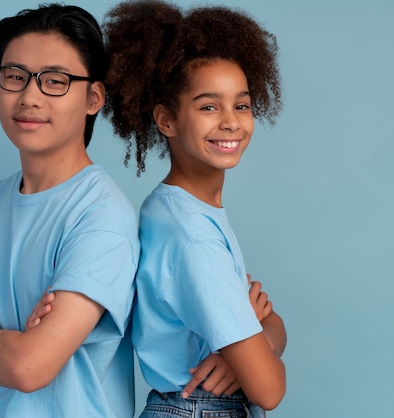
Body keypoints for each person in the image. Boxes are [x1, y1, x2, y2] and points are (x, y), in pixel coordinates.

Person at [0, 4, 140, 418]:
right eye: (14, 77)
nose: (29, 96)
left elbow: (29, 367)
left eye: (54, 81)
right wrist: (12, 354)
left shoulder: (102, 215)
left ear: (94, 97)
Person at [102, 1, 288, 416]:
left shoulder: (173, 209)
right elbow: (270, 388)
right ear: (166, 120)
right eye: (208, 106)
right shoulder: (192, 236)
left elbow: (275, 328)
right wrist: (256, 340)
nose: (231, 122)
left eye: (241, 105)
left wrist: (252, 343)